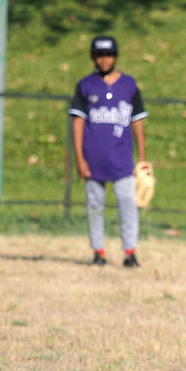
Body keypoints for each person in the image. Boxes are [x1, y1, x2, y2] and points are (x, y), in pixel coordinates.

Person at [68, 35, 149, 268]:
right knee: (94, 206)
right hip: (92, 159)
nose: (104, 59)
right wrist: (80, 159)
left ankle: (130, 252)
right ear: (94, 57)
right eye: (100, 55)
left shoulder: (129, 85)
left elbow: (138, 122)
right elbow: (77, 123)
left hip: (122, 159)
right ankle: (98, 252)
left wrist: (142, 158)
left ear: (115, 56)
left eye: (109, 55)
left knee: (127, 204)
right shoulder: (86, 86)